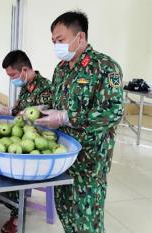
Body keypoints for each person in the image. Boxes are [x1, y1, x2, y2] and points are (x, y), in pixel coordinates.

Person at [34, 11, 124, 233]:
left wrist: (67, 117)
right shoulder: (62, 69)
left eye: (61, 40)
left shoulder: (105, 67)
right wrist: (42, 109)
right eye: (53, 42)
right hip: (62, 155)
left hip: (90, 161)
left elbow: (113, 112)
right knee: (65, 211)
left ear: (80, 37)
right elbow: (58, 101)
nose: (56, 46)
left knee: (86, 220)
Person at [0, 50, 52, 233]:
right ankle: (3, 194)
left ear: (24, 70)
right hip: (20, 132)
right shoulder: (26, 86)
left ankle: (16, 216)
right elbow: (19, 109)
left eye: (13, 75)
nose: (11, 80)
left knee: (14, 163)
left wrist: (20, 114)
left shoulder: (45, 88)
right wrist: (8, 110)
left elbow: (41, 118)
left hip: (36, 138)